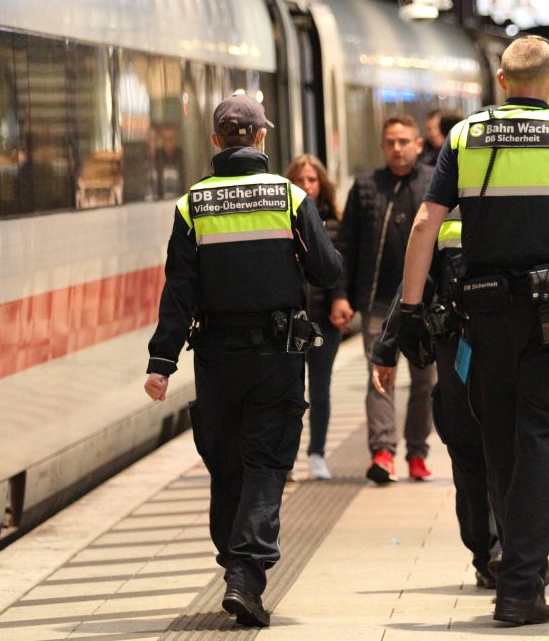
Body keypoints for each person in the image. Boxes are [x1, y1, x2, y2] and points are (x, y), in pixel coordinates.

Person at [398, 35, 549, 625]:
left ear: (503, 83)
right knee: (539, 442)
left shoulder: (464, 138)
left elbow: (426, 223)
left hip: (484, 322)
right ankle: (521, 583)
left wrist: (408, 310)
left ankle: (520, 565)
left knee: (502, 442)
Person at [143, 94, 341, 627]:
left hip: (215, 359)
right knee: (267, 462)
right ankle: (245, 574)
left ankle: (233, 563)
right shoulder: (289, 196)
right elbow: (326, 271)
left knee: (227, 465)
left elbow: (178, 292)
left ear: (215, 141)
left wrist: (161, 363)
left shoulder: (192, 205)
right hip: (276, 357)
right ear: (260, 139)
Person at [370, 207, 501, 589]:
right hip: (505, 348)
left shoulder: (443, 215)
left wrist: (387, 347)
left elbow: (416, 283)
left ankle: (492, 551)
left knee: (471, 453)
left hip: (459, 348)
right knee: (510, 447)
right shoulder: (534, 193)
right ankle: (511, 550)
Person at [330, 116, 437, 484]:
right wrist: (340, 295)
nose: (397, 148)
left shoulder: (433, 182)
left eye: (404, 141)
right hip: (377, 303)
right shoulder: (365, 187)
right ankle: (382, 452)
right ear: (382, 145)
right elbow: (346, 245)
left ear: (418, 145)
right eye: (391, 142)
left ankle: (418, 452)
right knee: (380, 376)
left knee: (426, 381)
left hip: (423, 303)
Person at [285, 154, 343, 481]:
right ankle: (289, 457)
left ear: (322, 184)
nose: (305, 186)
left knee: (320, 391)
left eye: (311, 180)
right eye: (298, 181)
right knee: (293, 393)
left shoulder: (334, 222)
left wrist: (340, 302)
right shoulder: (279, 223)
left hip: (322, 322)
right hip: (291, 321)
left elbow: (340, 271)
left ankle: (317, 453)